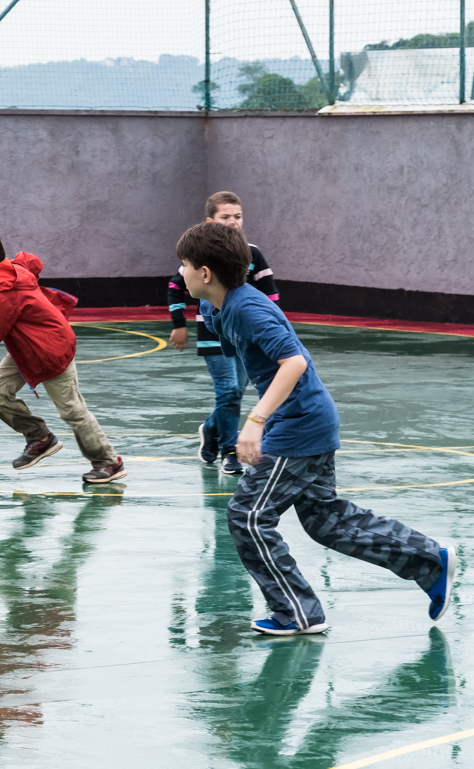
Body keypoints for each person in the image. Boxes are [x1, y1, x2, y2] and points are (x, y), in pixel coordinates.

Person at [178, 221, 454, 635]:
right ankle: (429, 561)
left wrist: (255, 421)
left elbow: (294, 362)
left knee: (248, 516)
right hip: (305, 421)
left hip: (300, 425)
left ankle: (297, 612)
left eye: (183, 264)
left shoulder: (248, 308)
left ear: (205, 273)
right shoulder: (216, 309)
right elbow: (257, 366)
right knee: (326, 521)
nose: (179, 272)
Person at [0, 229, 126, 483]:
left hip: (50, 351)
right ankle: (40, 438)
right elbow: (31, 262)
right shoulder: (10, 270)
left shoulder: (3, 293)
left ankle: (108, 462)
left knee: (72, 410)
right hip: (26, 349)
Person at [169, 191, 279, 475]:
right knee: (228, 390)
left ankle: (210, 428)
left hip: (243, 337)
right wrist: (178, 324)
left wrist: (270, 332)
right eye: (225, 216)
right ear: (211, 221)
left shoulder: (252, 254)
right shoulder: (200, 256)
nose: (233, 222)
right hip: (212, 335)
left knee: (235, 393)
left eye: (237, 216)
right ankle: (229, 451)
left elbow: (271, 297)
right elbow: (175, 286)